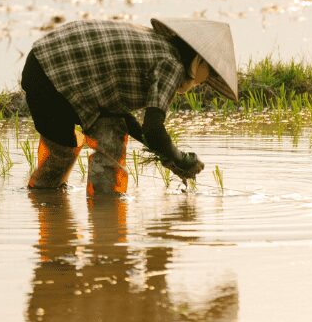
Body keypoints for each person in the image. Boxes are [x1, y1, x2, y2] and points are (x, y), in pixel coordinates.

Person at [20, 17, 239, 195]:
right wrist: (179, 158)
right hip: (51, 73)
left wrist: (167, 154)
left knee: (111, 130)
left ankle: (101, 212)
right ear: (199, 62)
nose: (202, 82)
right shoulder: (170, 65)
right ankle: (50, 202)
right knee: (62, 153)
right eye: (207, 75)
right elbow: (154, 129)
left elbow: (128, 121)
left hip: (48, 65)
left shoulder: (158, 47)